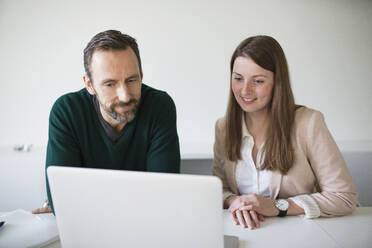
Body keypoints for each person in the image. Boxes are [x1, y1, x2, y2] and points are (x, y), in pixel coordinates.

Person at [213, 35, 358, 230]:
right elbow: (220, 189)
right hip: (244, 232)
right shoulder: (223, 127)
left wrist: (278, 206)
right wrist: (234, 201)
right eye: (238, 79)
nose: (245, 90)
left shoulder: (308, 123)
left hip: (298, 235)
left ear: (277, 82)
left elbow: (344, 197)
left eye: (257, 81)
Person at [32, 30, 180, 214]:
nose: (125, 96)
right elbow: (62, 200)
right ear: (89, 85)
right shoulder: (67, 111)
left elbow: (164, 195)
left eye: (132, 80)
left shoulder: (159, 106)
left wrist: (85, 201)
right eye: (110, 84)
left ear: (141, 74)